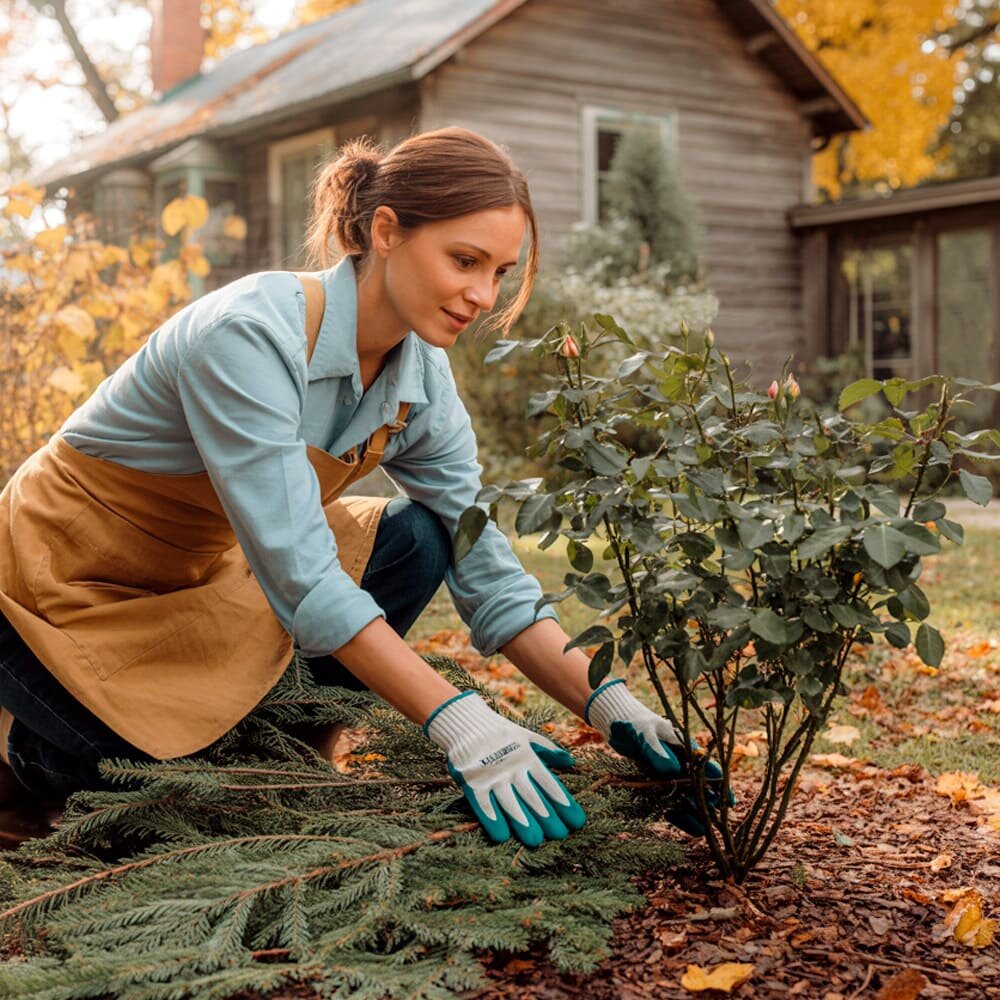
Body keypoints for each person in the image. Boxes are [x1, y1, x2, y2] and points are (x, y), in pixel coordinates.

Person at [0, 127, 711, 847]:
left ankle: (286, 755)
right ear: (387, 231)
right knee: (151, 791)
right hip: (50, 590)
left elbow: (484, 562)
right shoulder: (248, 335)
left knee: (420, 538)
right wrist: (459, 721)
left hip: (195, 574)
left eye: (499, 271)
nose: (482, 295)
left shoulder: (419, 373)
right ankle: (21, 754)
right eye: (464, 260)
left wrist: (615, 708)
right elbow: (305, 578)